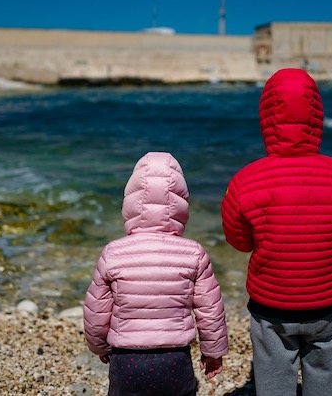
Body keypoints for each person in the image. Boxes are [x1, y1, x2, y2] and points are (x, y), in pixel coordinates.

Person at [221, 68, 332, 396]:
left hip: (271, 304)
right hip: (327, 303)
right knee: (324, 374)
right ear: (317, 117)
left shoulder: (246, 180)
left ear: (266, 118)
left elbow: (239, 241)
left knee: (274, 382)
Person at [84, 151, 229, 396]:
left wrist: (99, 347)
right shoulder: (193, 252)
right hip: (174, 359)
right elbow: (210, 310)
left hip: (126, 360)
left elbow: (97, 309)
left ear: (130, 202)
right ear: (181, 203)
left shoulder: (114, 252)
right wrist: (213, 353)